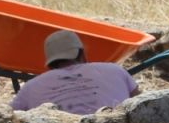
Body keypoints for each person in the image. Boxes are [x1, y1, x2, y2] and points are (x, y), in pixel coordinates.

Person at [11, 29, 139, 116]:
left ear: (49, 63)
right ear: (82, 54)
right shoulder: (115, 70)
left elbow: (6, 117)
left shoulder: (31, 87)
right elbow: (140, 103)